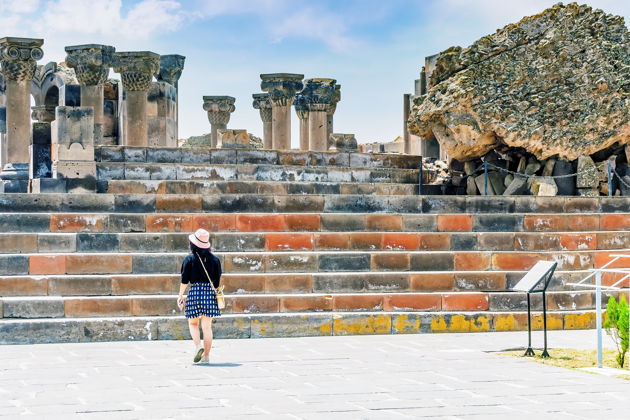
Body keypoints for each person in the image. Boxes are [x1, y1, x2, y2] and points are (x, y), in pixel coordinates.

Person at [178, 228, 222, 364]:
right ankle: (206, 356)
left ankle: (198, 346)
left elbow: (184, 280)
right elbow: (217, 282)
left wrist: (180, 295)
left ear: (192, 244)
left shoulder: (189, 259)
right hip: (209, 293)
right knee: (207, 327)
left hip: (195, 292)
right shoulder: (215, 260)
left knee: (193, 323)